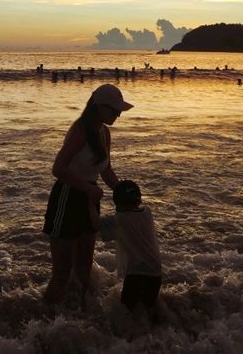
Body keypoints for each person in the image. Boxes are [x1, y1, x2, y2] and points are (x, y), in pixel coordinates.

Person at [42, 83, 133, 305]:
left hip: (89, 200)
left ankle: (81, 316)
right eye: (114, 110)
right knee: (62, 272)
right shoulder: (80, 131)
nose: (118, 115)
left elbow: (106, 170)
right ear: (99, 107)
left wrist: (123, 192)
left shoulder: (104, 132)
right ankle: (44, 319)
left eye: (119, 111)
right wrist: (88, 188)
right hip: (67, 197)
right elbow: (58, 168)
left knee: (84, 268)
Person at [98, 180, 162, 318]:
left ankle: (130, 336)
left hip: (136, 273)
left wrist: (91, 202)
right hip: (156, 271)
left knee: (127, 310)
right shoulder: (147, 213)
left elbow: (94, 224)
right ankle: (155, 333)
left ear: (118, 204)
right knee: (149, 307)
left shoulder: (119, 219)